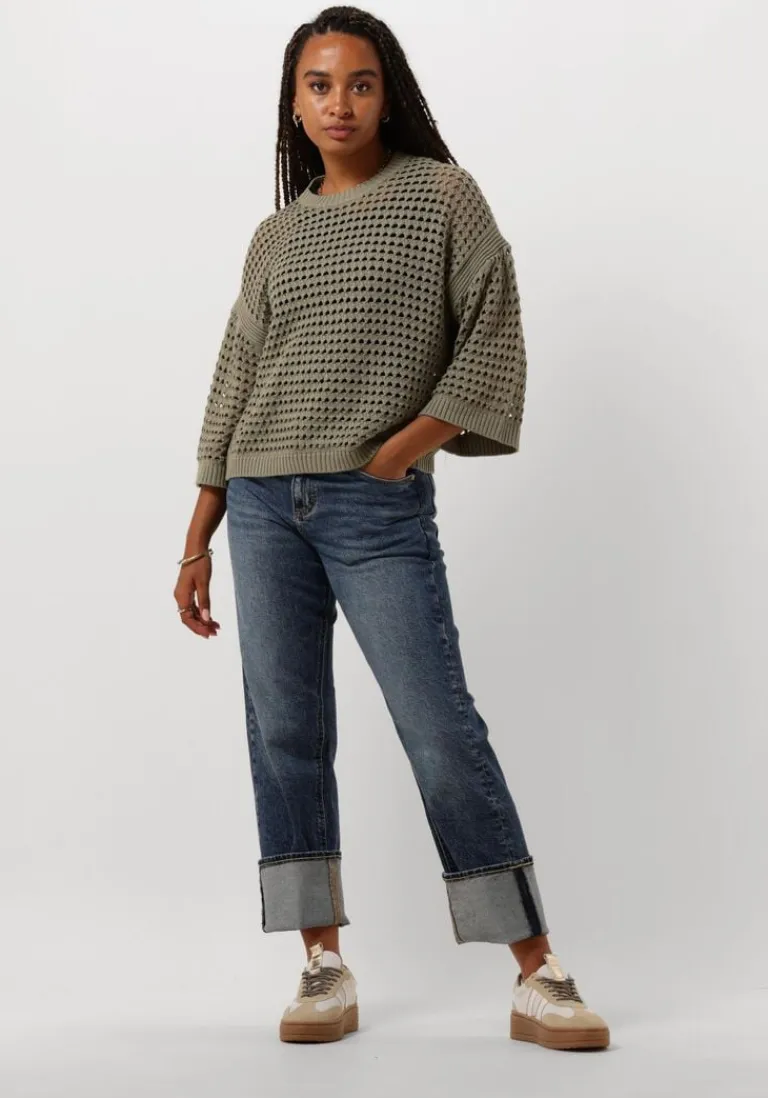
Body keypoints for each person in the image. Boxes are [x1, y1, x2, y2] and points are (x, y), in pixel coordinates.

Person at [174, 5, 609, 1052]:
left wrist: (401, 449)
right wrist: (198, 531)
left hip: (374, 505)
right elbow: (236, 376)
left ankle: (538, 971)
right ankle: (321, 962)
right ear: (295, 103)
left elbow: (492, 331)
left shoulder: (441, 196)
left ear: (388, 92)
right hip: (262, 504)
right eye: (319, 85)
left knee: (437, 726)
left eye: (359, 83)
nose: (340, 103)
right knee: (286, 733)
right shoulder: (277, 235)